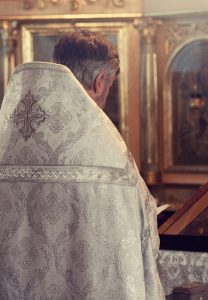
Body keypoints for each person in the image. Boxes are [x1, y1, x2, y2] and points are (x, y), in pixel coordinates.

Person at [0, 30, 165, 299]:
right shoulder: (108, 151)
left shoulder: (6, 138)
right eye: (109, 87)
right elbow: (141, 229)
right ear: (100, 82)